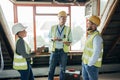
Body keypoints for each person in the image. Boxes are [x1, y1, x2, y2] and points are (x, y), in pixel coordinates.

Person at [48, 11, 72, 80]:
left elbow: (70, 41)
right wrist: (53, 39)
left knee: (63, 69)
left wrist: (66, 42)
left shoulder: (68, 29)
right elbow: (49, 38)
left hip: (63, 51)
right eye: (62, 18)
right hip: (54, 51)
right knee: (51, 69)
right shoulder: (53, 27)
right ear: (59, 18)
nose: (64, 20)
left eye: (65, 18)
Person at [82, 15, 103, 80]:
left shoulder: (97, 37)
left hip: (91, 65)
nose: (87, 25)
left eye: (89, 23)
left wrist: (90, 64)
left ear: (94, 25)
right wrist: (84, 62)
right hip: (85, 63)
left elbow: (96, 52)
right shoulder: (90, 35)